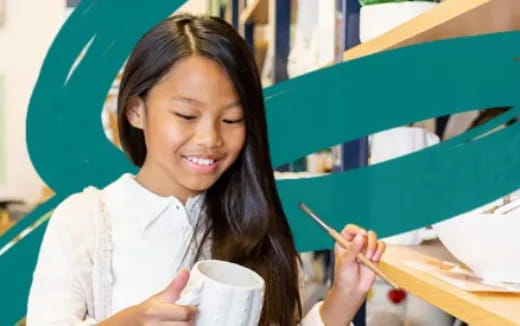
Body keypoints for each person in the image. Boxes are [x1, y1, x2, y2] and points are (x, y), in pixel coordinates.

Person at [26, 14, 386, 326]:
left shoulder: (256, 223)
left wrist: (344, 296)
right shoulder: (85, 222)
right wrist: (130, 321)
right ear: (136, 110)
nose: (210, 138)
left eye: (231, 119)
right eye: (186, 115)